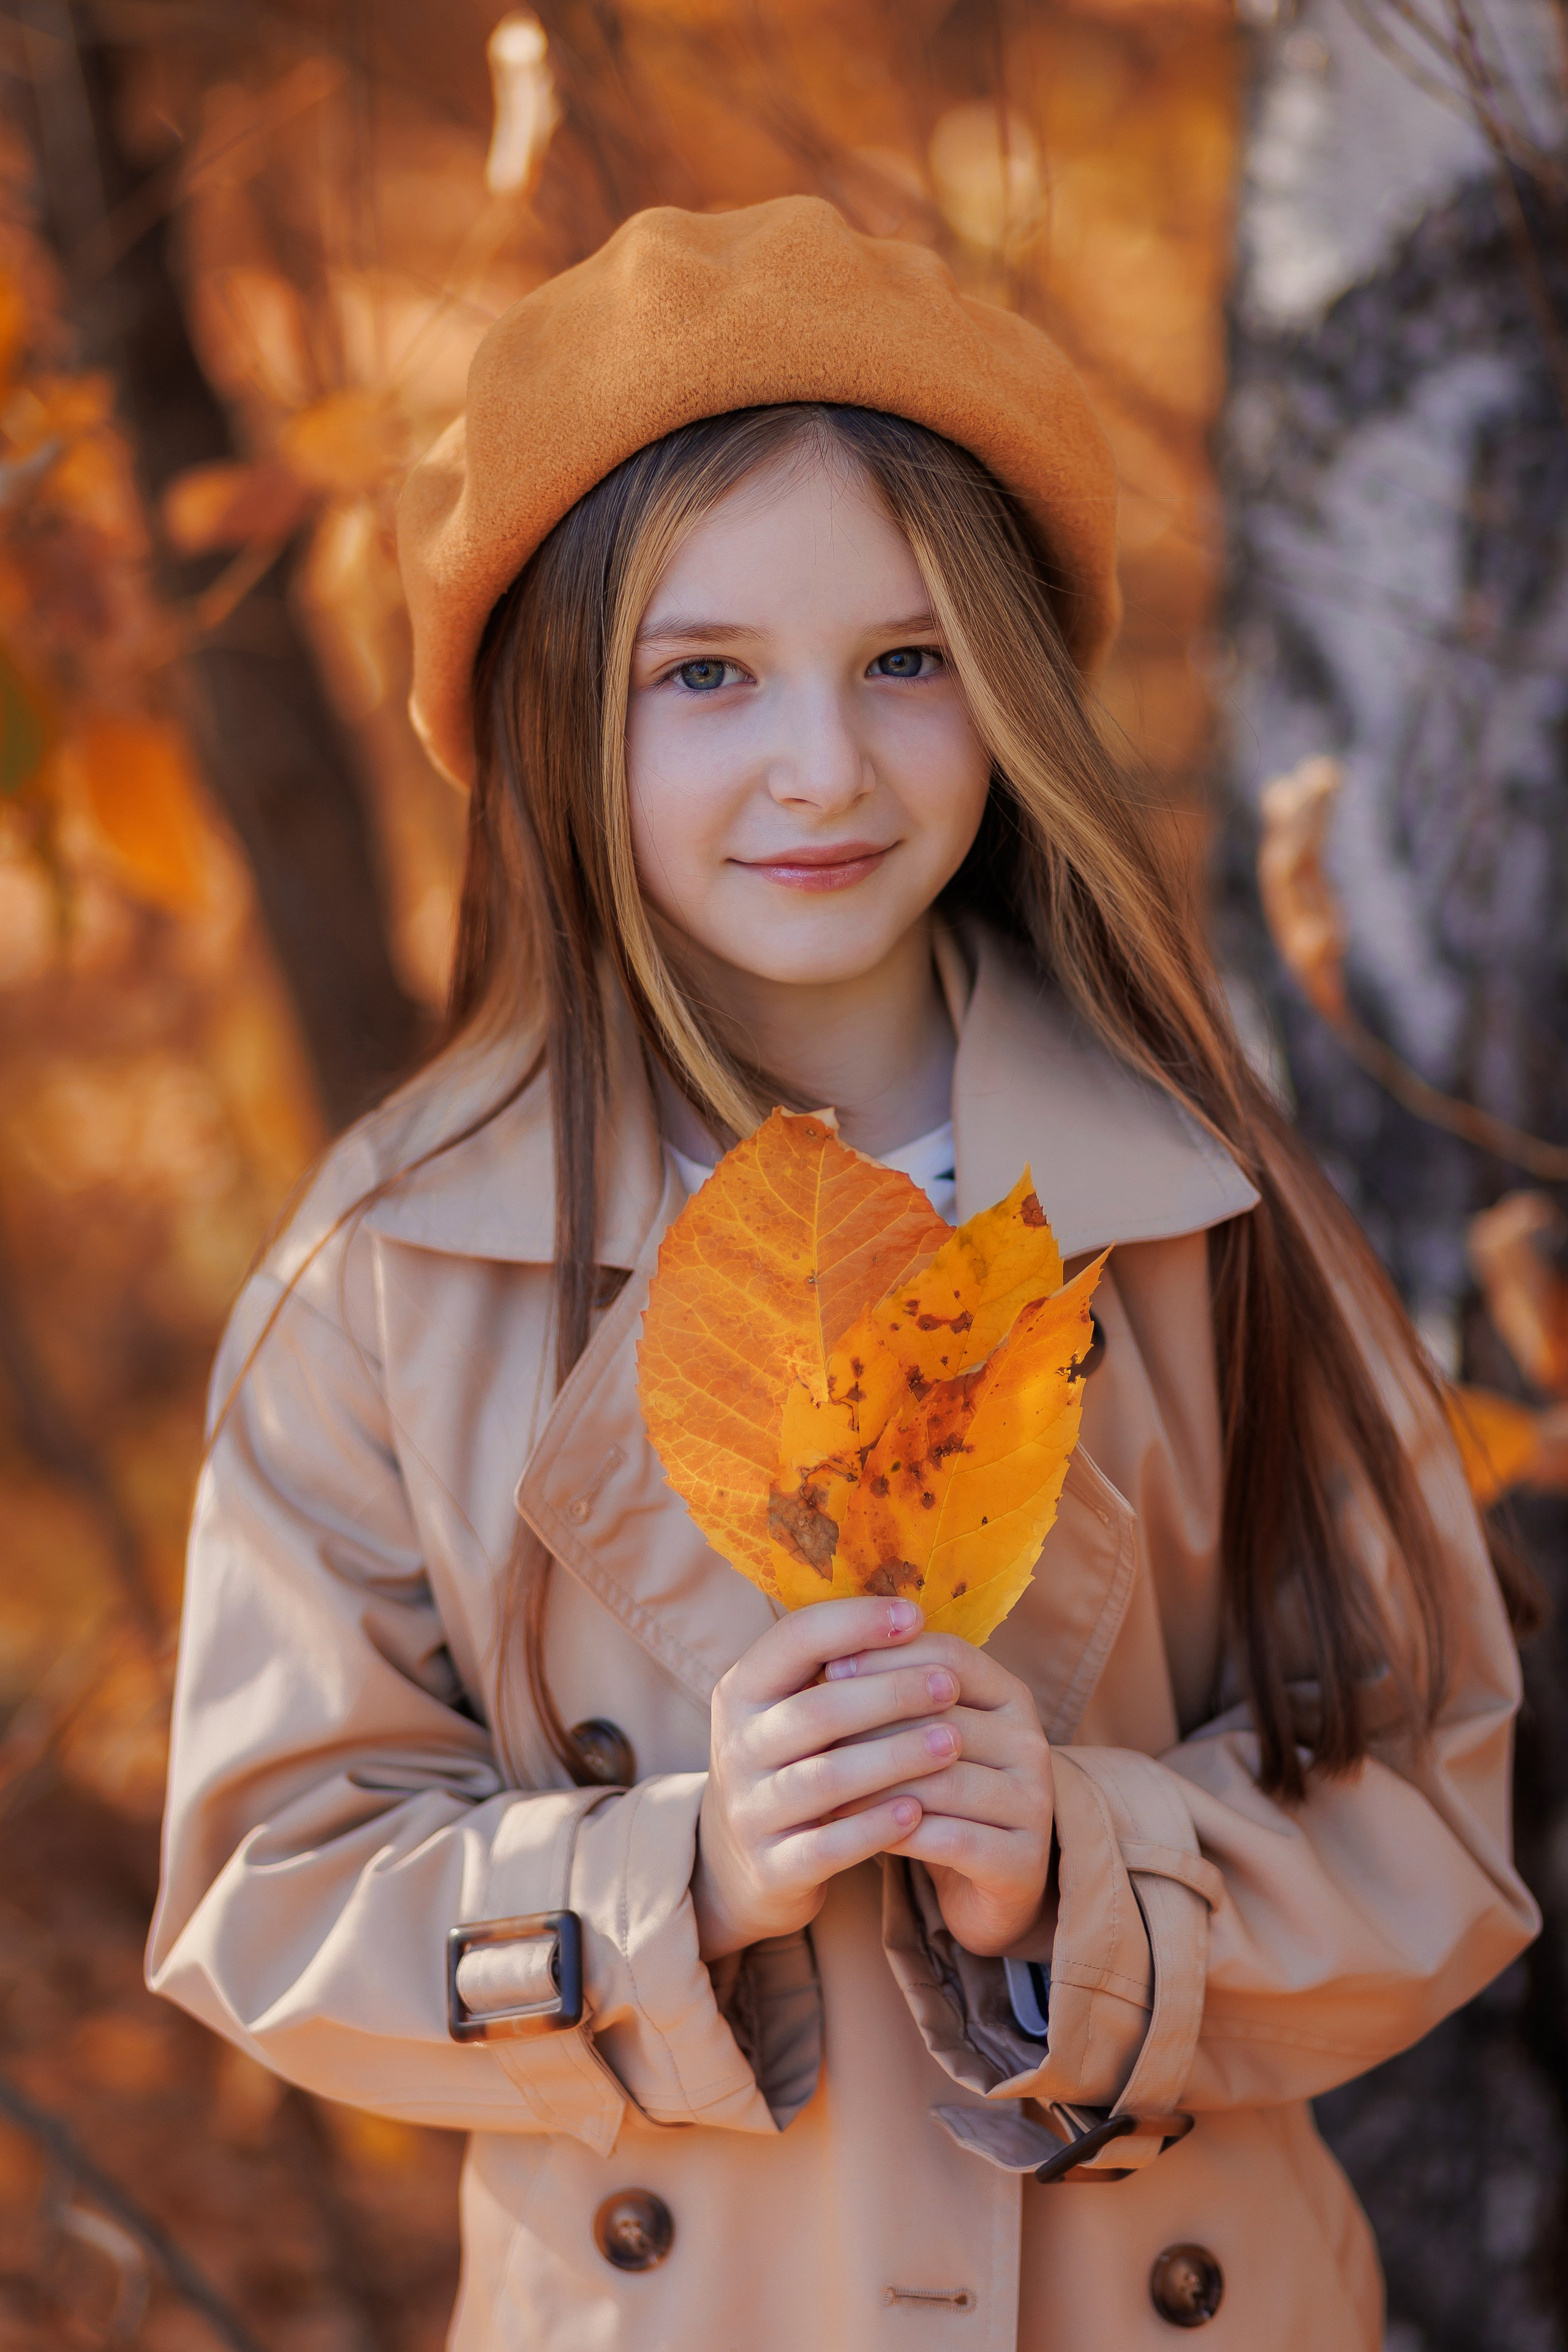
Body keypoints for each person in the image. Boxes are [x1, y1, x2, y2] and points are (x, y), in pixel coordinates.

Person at [148, 198, 1539, 2350]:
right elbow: (272, 1890)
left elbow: (1430, 1799)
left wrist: (1081, 1867)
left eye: (907, 660)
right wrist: (679, 1878)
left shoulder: (1203, 1210)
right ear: (554, 721)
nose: (825, 768)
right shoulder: (401, 1274)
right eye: (704, 674)